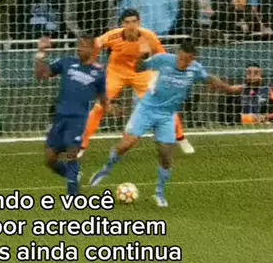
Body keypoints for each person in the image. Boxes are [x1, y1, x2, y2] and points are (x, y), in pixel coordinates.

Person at [89, 39, 242, 207]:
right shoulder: (163, 59)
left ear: (192, 59)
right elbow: (139, 68)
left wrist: (230, 89)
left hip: (167, 116)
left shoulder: (195, 69)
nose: (182, 62)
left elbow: (210, 78)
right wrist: (142, 56)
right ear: (178, 53)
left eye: (187, 60)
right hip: (146, 109)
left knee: (165, 154)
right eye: (181, 58)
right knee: (127, 144)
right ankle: (106, 169)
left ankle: (159, 193)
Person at [79, 9, 194, 158]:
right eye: (127, 22)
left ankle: (181, 138)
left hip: (141, 73)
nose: (131, 26)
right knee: (100, 106)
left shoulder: (148, 36)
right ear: (122, 24)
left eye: (134, 22)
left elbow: (161, 56)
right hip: (117, 72)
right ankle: (82, 145)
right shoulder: (112, 35)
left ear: (139, 22)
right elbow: (95, 46)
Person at [35, 35, 109, 195]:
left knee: (72, 154)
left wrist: (109, 110)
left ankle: (73, 196)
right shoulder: (66, 63)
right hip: (60, 118)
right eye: (78, 45)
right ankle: (73, 175)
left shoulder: (99, 72)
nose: (79, 48)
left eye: (83, 45)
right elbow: (41, 76)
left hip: (78, 120)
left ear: (92, 49)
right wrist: (41, 55)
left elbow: (103, 98)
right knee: (49, 159)